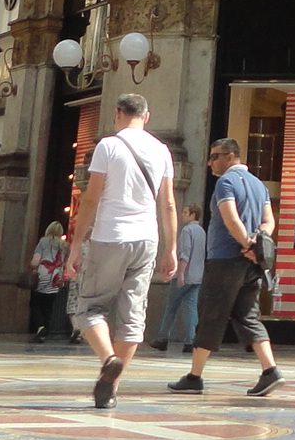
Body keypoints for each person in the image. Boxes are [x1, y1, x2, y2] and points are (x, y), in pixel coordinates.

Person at [65, 92, 178, 408]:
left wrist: (75, 245)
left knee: (89, 308)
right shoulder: (162, 150)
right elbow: (168, 202)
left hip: (110, 236)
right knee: (132, 316)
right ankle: (110, 387)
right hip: (147, 240)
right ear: (147, 116)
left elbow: (90, 198)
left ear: (117, 114)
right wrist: (172, 248)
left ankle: (109, 358)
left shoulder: (108, 146)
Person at [175, 138, 279, 398]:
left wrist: (245, 243)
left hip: (224, 260)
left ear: (231, 156)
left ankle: (194, 377)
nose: (210, 162)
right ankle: (270, 370)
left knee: (211, 313)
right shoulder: (259, 185)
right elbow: (269, 222)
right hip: (251, 265)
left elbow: (230, 217)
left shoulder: (226, 182)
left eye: (215, 156)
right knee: (248, 316)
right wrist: (256, 246)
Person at [153, 207, 204, 354]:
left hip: (184, 275)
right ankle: (191, 340)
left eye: (185, 212)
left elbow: (185, 253)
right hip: (197, 276)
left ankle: (162, 338)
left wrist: (180, 273)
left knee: (171, 307)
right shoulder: (202, 231)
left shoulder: (187, 231)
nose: (182, 215)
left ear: (193, 215)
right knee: (191, 308)